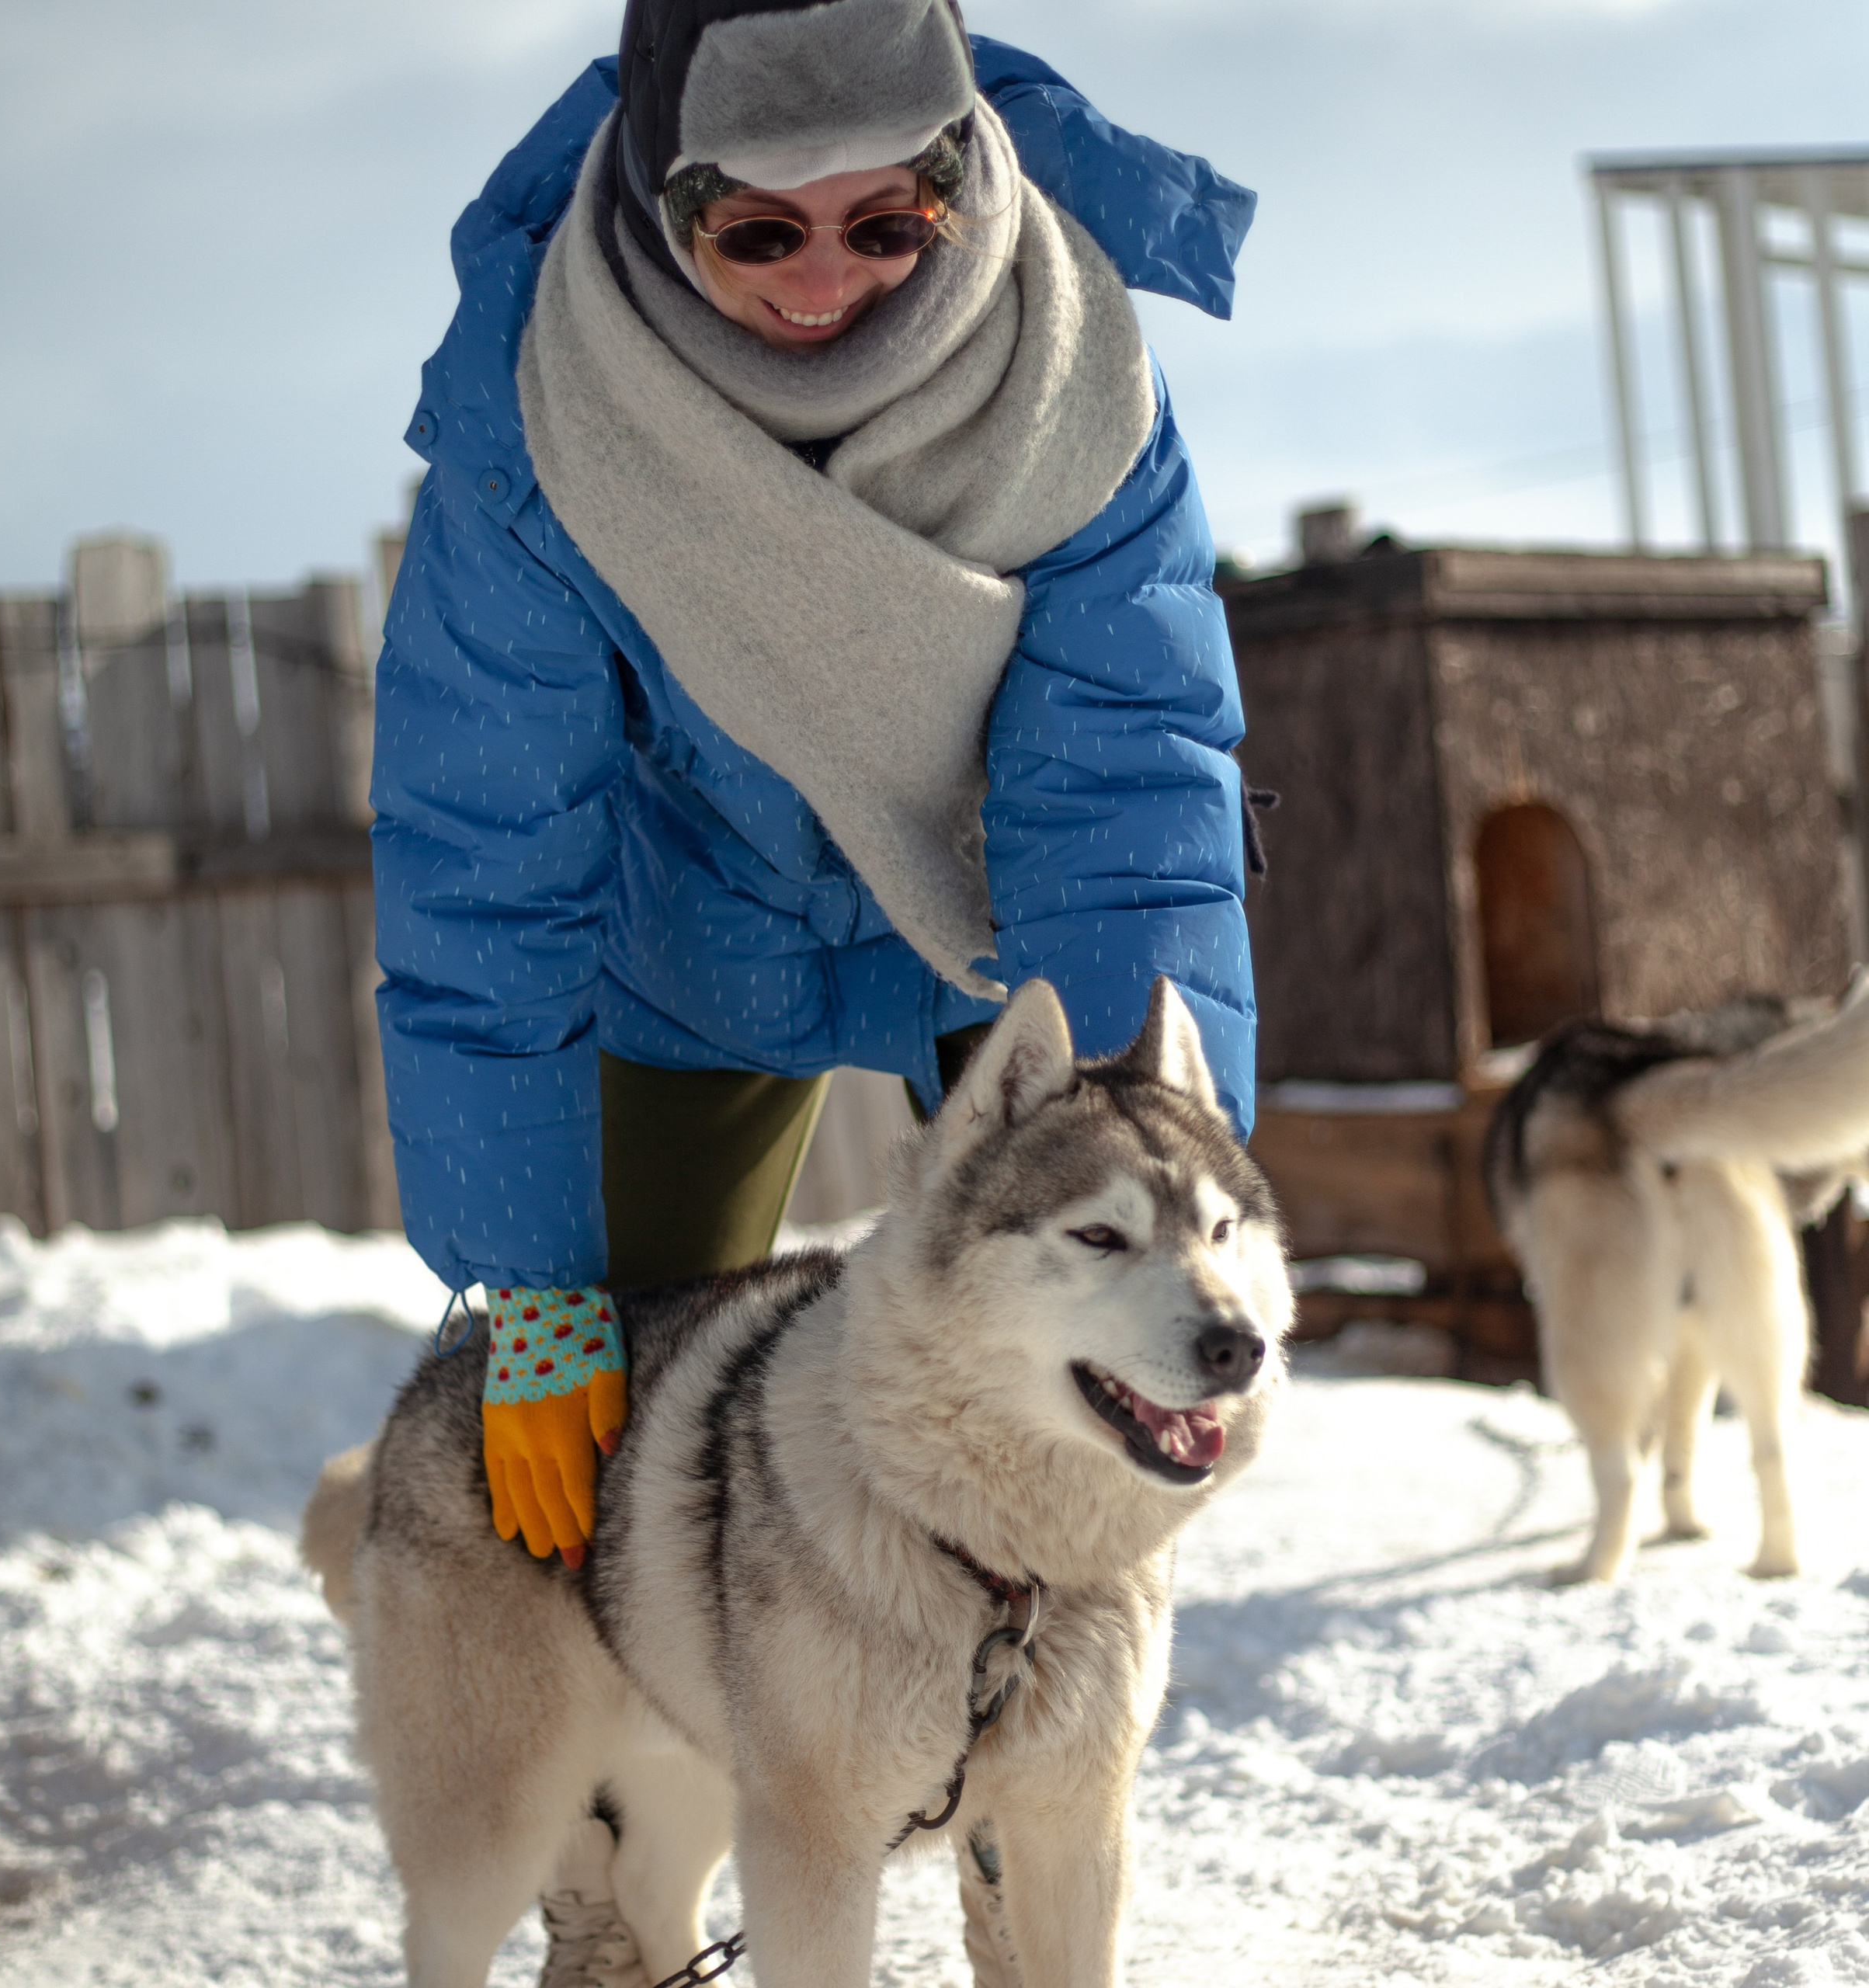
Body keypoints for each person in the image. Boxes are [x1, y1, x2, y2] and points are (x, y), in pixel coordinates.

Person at [370, 1, 1255, 1973]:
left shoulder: (1071, 375)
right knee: (585, 1467)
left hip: (998, 915)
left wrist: (1164, 1130)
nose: (828, 280)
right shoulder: (546, 414)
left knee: (1062, 1397)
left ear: (963, 175)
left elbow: (1127, 790)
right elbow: (483, 848)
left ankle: (1031, 1859)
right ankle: (612, 1902)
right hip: (670, 951)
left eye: (888, 217)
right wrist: (529, 1279)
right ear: (652, 196)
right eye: (753, 233)